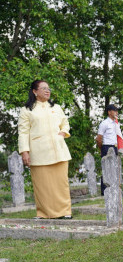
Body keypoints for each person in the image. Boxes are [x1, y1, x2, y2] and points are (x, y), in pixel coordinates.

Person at [18, 80, 72, 219]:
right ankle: (43, 213)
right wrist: (24, 151)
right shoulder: (27, 110)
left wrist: (63, 132)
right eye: (43, 88)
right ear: (35, 91)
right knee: (42, 185)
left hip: (58, 150)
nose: (47, 91)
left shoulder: (57, 107)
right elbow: (23, 132)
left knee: (61, 183)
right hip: (39, 152)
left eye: (48, 88)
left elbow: (65, 123)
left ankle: (65, 212)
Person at [96, 104, 123, 195]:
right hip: (106, 146)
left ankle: (113, 190)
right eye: (114, 110)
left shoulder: (116, 123)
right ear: (109, 112)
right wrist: (102, 148)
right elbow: (99, 138)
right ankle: (104, 191)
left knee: (114, 169)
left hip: (114, 147)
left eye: (116, 110)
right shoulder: (104, 123)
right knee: (106, 169)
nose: (116, 112)